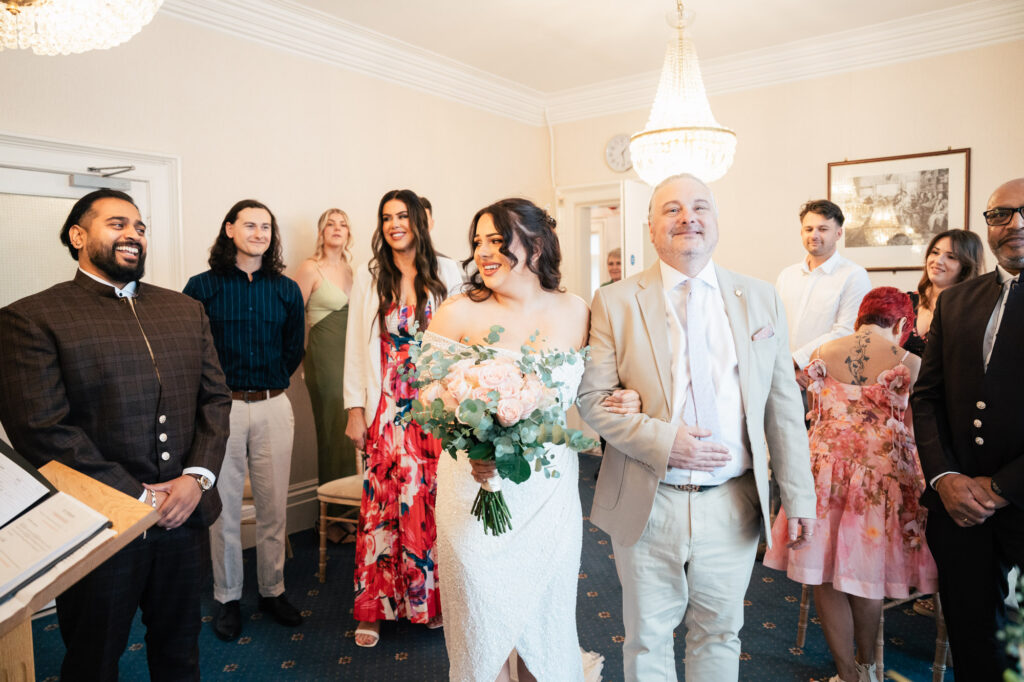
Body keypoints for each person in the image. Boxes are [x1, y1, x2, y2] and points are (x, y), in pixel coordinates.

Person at [578, 173, 817, 681]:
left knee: (720, 634)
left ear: (715, 221)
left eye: (700, 207)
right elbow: (593, 401)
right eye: (672, 209)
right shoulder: (614, 301)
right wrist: (669, 443)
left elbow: (783, 409)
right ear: (650, 227)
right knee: (646, 641)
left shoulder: (761, 298)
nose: (688, 217)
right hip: (649, 497)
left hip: (733, 503)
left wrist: (799, 499)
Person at [0, 189, 231, 681]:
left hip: (184, 518)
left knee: (180, 650)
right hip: (100, 525)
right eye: (117, 223)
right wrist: (139, 497)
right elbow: (41, 430)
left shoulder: (184, 311)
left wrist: (196, 479)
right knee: (92, 658)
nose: (133, 234)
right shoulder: (31, 318)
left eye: (140, 227)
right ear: (78, 236)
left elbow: (214, 400)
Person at [426, 198, 636, 682]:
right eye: (478, 241)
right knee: (482, 613)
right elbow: (427, 400)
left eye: (497, 240)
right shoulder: (458, 312)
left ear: (537, 244)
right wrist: (472, 443)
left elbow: (595, 389)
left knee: (543, 612)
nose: (483, 252)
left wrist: (627, 400)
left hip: (547, 494)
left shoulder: (577, 311)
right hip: (474, 489)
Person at [764, 287, 938, 682]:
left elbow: (812, 411)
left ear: (862, 316)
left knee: (823, 572)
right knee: (866, 575)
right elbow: (915, 428)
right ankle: (868, 666)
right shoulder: (909, 361)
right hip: (879, 478)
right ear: (900, 324)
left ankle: (846, 674)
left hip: (821, 474)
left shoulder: (822, 354)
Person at [912, 177, 1024, 680]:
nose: (1015, 223)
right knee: (974, 643)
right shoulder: (956, 301)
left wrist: (1002, 487)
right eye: (1000, 214)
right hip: (958, 511)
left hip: (1019, 499)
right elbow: (927, 397)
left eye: (1023, 211)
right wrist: (944, 477)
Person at [343, 189, 462, 647]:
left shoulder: (449, 271)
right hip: (388, 405)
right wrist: (356, 410)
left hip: (437, 407)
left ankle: (430, 602)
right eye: (387, 217)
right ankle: (373, 607)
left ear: (419, 221)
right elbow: (356, 345)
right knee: (383, 504)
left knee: (432, 503)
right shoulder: (370, 274)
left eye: (402, 216)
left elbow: (463, 341)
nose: (395, 224)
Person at [184, 199, 306, 641]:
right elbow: (190, 353)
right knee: (224, 510)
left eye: (266, 227)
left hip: (274, 404)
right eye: (250, 225)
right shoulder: (202, 287)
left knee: (275, 506)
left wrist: (270, 383)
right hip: (222, 410)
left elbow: (294, 349)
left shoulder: (286, 289)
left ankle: (272, 590)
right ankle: (227, 596)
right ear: (230, 229)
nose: (259, 233)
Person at [294, 208, 357, 543]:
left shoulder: (351, 269)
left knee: (350, 434)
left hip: (350, 361)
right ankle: (330, 522)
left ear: (349, 233)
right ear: (321, 232)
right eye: (330, 224)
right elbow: (291, 318)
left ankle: (348, 514)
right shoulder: (310, 268)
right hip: (325, 361)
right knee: (332, 435)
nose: (336, 229)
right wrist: (302, 363)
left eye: (342, 224)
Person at [776, 199, 872, 387]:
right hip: (782, 377)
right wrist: (785, 367)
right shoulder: (787, 275)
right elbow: (774, 324)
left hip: (826, 382)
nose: (814, 235)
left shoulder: (854, 275)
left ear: (838, 233)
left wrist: (796, 362)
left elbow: (846, 332)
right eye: (809, 229)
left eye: (823, 229)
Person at [903, 228, 984, 356]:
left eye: (951, 257)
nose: (938, 261)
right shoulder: (905, 301)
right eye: (935, 252)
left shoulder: (972, 312)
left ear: (966, 268)